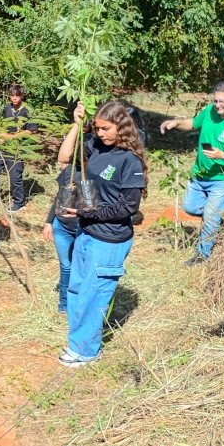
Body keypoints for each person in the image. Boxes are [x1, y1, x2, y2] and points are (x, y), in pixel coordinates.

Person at [57, 101, 147, 367]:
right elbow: (64, 157)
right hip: (86, 232)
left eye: (106, 128)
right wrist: (76, 124)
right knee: (76, 289)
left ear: (121, 127)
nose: (101, 134)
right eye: (96, 128)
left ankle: (87, 350)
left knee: (92, 294)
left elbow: (128, 207)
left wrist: (89, 213)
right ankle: (78, 342)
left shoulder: (130, 161)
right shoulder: (95, 146)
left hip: (109, 239)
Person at [159, 81, 224, 266]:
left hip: (223, 178)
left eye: (222, 102)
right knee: (190, 207)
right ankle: (218, 221)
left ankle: (202, 256)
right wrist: (176, 122)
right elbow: (193, 123)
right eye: (215, 100)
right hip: (200, 175)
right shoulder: (210, 111)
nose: (217, 105)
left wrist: (223, 155)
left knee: (210, 214)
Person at [0, 84, 38, 212]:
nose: (14, 98)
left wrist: (10, 137)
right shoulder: (7, 108)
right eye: (12, 96)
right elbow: (4, 124)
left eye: (17, 96)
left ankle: (19, 202)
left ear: (22, 96)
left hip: (18, 148)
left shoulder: (28, 110)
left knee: (15, 175)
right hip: (4, 146)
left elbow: (30, 131)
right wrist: (0, 135)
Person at [42, 165, 79, 313]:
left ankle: (80, 303)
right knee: (66, 267)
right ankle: (64, 304)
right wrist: (49, 222)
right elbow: (59, 196)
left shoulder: (98, 170)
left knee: (82, 266)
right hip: (62, 226)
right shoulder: (70, 169)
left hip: (85, 228)